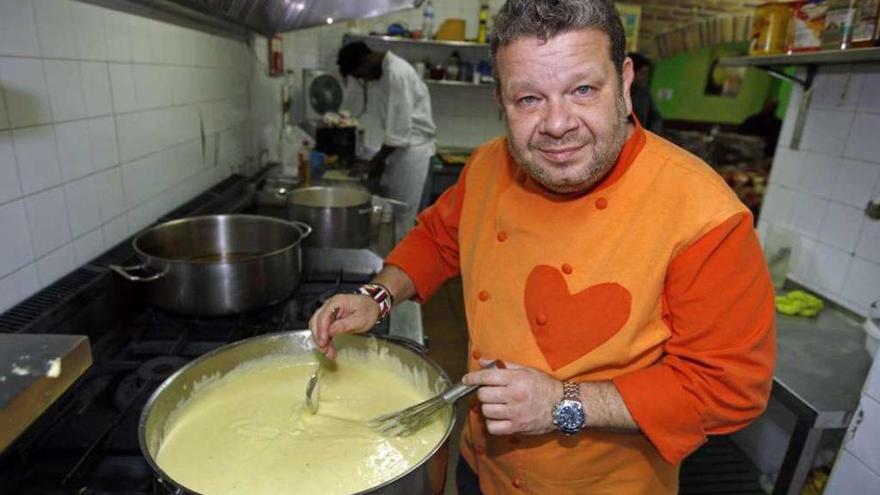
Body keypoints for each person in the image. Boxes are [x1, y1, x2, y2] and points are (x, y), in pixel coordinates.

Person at [313, 1, 776, 493]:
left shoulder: (704, 214)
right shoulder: (490, 165)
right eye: (529, 99)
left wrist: (563, 404)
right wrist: (377, 297)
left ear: (623, 82)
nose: (557, 124)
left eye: (582, 90)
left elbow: (728, 387)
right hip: (480, 462)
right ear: (501, 100)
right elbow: (437, 238)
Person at [336, 41, 437, 241]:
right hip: (403, 153)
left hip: (413, 155)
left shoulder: (396, 73)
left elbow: (398, 133)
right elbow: (394, 130)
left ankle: (404, 269)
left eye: (360, 75)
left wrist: (373, 164)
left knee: (405, 217)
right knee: (396, 217)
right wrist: (377, 162)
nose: (364, 79)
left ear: (365, 61)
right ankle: (396, 264)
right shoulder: (386, 73)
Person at [628, 51, 663, 133]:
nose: (645, 78)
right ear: (630, 72)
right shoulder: (614, 92)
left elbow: (656, 118)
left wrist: (651, 135)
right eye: (643, 73)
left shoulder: (644, 93)